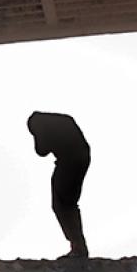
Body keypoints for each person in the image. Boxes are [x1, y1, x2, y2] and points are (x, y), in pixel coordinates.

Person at [28, 111, 90, 259]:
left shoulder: (40, 124)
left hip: (69, 161)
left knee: (62, 204)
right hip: (81, 158)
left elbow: (41, 151)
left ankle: (78, 247)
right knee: (67, 203)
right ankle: (78, 245)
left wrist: (38, 136)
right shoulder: (62, 120)